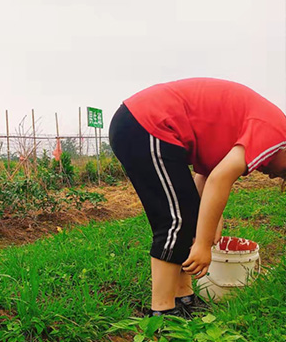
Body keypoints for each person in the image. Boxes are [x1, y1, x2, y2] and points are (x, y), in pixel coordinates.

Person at [109, 78, 286, 316]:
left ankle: (184, 297)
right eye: (283, 172)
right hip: (148, 124)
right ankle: (162, 312)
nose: (274, 176)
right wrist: (202, 245)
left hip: (148, 124)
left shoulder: (263, 128)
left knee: (187, 215)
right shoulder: (275, 134)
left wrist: (207, 222)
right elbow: (219, 179)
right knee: (175, 220)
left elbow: (207, 177)